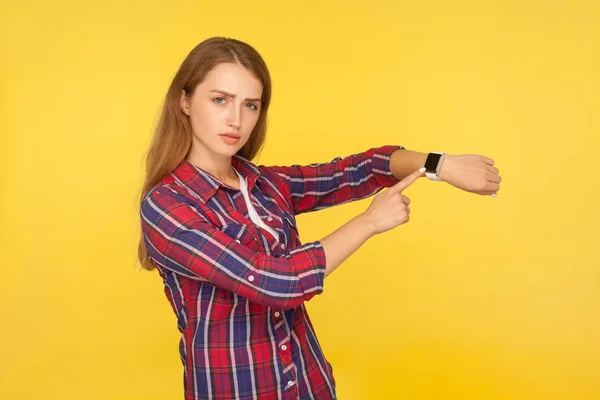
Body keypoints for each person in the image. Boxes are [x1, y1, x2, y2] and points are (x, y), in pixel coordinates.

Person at [138, 37, 501, 400]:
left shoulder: (267, 185)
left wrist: (440, 164)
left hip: (309, 386)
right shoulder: (167, 206)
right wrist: (369, 221)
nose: (236, 119)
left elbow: (359, 169)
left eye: (250, 105)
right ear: (184, 101)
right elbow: (275, 283)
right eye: (220, 100)